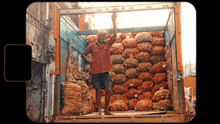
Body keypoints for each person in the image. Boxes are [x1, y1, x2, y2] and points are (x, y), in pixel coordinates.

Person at [81, 13, 117, 115]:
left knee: (108, 90)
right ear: (97, 36)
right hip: (95, 71)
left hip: (105, 71)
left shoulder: (108, 44)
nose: (102, 37)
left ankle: (106, 110)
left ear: (106, 37)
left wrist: (114, 21)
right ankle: (99, 111)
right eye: (100, 35)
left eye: (104, 35)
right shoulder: (92, 46)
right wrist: (90, 61)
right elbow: (82, 55)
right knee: (98, 90)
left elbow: (114, 35)